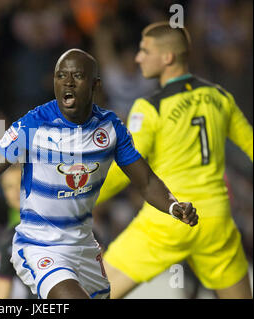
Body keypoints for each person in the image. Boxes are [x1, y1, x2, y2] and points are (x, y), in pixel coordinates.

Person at [0, 48, 198, 299]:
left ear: (95, 84)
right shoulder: (32, 125)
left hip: (85, 249)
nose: (67, 82)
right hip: (40, 247)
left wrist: (173, 205)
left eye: (77, 76)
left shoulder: (111, 128)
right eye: (61, 76)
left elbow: (145, 182)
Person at [96, 22, 253, 299]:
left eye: (145, 51)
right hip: (216, 221)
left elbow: (127, 168)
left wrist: (80, 200)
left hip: (168, 220)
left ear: (167, 57)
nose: (137, 57)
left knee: (91, 292)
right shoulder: (220, 97)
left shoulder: (150, 108)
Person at [0, 164, 36, 299]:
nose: (16, 191)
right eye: (9, 187)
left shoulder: (66, 224)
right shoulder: (10, 239)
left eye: (20, 182)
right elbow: (2, 291)